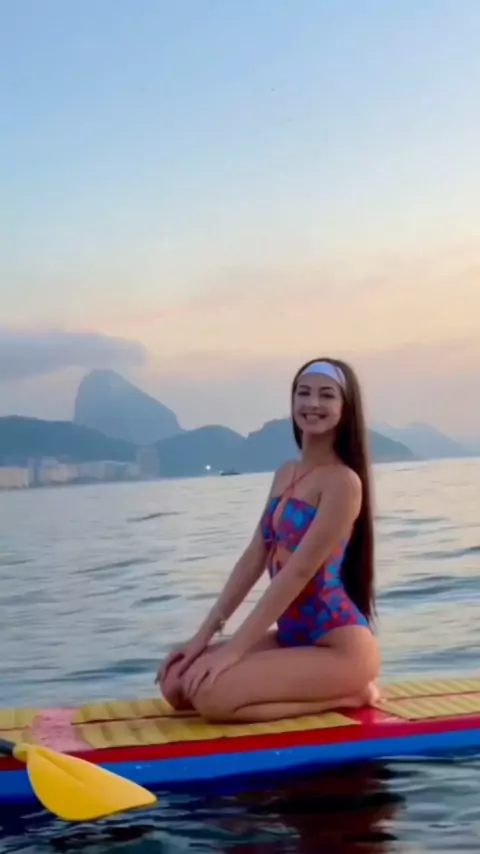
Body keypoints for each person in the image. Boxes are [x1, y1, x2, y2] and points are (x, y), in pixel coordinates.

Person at [156, 357, 380, 722]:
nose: (313, 403)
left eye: (327, 395)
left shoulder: (343, 482)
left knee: (213, 698)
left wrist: (232, 652)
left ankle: (353, 694)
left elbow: (297, 573)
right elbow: (254, 558)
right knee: (176, 683)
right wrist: (202, 638)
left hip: (339, 648)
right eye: (303, 393)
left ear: (345, 408)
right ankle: (333, 689)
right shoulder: (286, 473)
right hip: (292, 638)